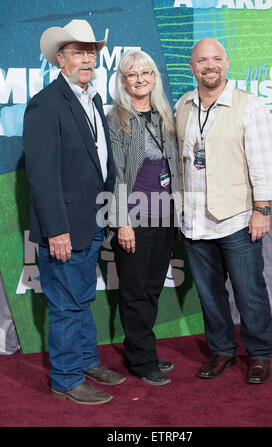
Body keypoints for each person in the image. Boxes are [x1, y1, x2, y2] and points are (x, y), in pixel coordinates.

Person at [23, 19, 125, 405]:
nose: (86, 58)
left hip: (92, 221)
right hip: (64, 227)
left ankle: (85, 361)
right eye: (77, 52)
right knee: (66, 304)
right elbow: (43, 175)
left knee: (81, 299)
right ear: (60, 60)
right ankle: (66, 379)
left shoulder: (91, 97)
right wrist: (57, 231)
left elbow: (99, 161)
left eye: (91, 52)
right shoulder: (45, 104)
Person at [175, 38, 272, 384]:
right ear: (192, 67)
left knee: (249, 290)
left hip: (236, 217)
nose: (210, 66)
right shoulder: (183, 106)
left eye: (216, 59)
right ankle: (222, 350)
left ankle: (259, 353)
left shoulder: (248, 106)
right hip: (194, 222)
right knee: (209, 293)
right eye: (202, 60)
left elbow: (264, 161)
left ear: (227, 63)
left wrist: (261, 210)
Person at [106, 50, 181, 386]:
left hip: (165, 217)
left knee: (151, 289)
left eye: (146, 73)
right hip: (134, 219)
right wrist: (121, 221)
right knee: (135, 291)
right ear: (123, 81)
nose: (140, 79)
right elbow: (116, 173)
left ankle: (142, 350)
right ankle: (142, 361)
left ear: (154, 77)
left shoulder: (166, 115)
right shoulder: (117, 119)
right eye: (132, 74)